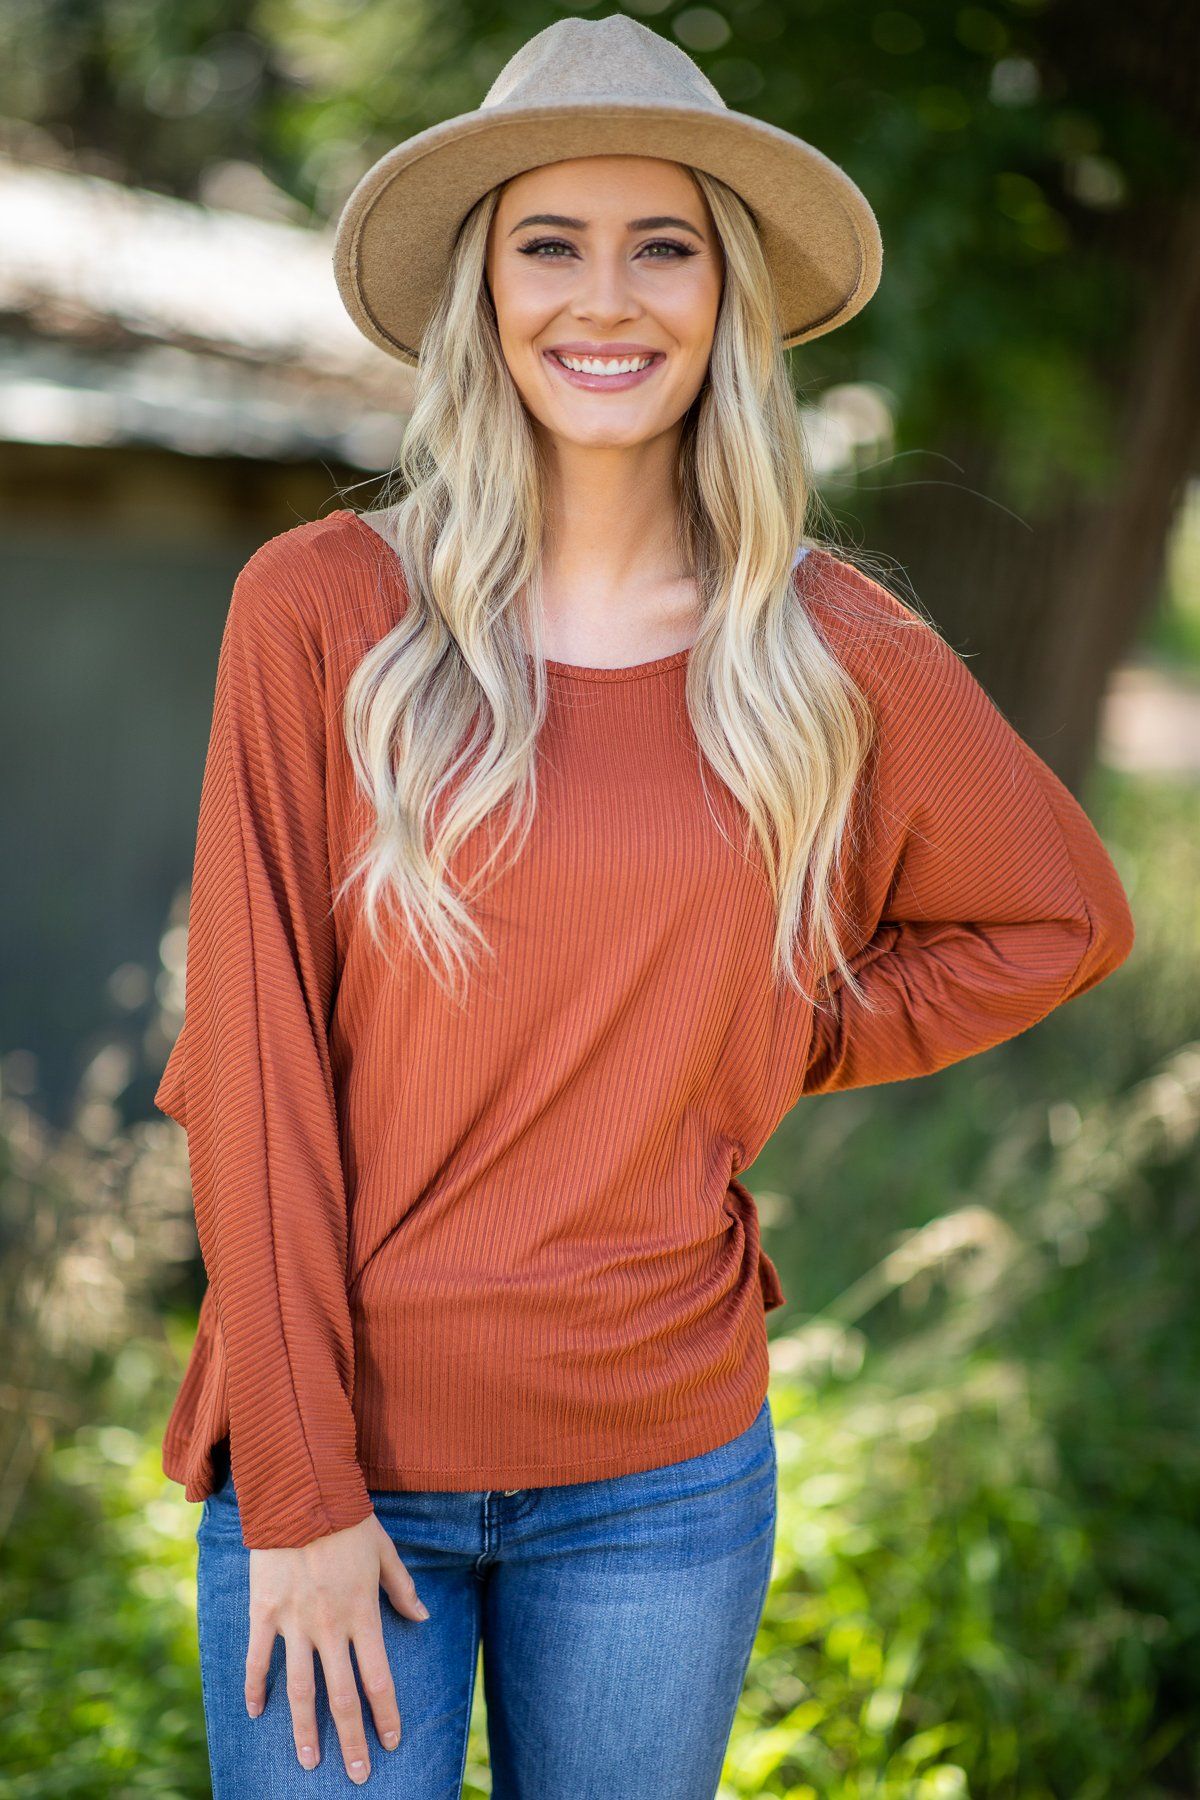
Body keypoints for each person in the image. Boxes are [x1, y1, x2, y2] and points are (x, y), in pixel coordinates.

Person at [153, 15, 1136, 1797]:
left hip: (658, 1485)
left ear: (725, 299)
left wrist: (764, 1019)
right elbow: (253, 1061)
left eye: (661, 244)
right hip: (338, 1468)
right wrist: (296, 1488)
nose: (605, 298)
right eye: (551, 243)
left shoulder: (832, 645)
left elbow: (1055, 917)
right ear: (483, 293)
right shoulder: (318, 612)